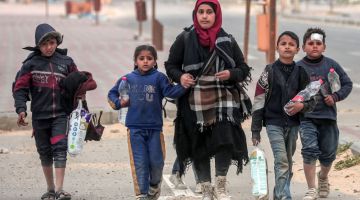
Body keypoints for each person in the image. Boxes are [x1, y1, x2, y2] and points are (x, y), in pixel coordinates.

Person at [165, 0, 251, 199]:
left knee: (225, 140)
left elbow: (243, 68)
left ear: (216, 14)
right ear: (195, 14)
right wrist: (181, 77)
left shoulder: (227, 40)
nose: (204, 16)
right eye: (200, 12)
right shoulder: (185, 38)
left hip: (223, 98)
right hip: (192, 100)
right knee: (198, 143)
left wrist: (231, 73)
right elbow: (171, 65)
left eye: (209, 12)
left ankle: (221, 184)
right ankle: (205, 187)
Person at [107, 45, 186, 200]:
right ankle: (142, 194)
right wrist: (118, 103)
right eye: (141, 58)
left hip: (155, 129)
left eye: (149, 58)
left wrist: (184, 86)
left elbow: (170, 92)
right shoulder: (127, 79)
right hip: (135, 129)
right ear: (135, 61)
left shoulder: (159, 78)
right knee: (140, 163)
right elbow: (112, 94)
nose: (145, 61)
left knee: (157, 162)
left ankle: (154, 185)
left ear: (155, 61)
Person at [13, 23, 77, 200]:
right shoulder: (30, 64)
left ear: (57, 42)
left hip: (60, 115)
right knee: (44, 151)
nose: (49, 47)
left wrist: (81, 86)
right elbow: (20, 88)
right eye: (44, 44)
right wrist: (21, 109)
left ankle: (60, 189)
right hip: (40, 117)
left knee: (60, 148)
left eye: (52, 42)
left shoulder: (66, 62)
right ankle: (50, 189)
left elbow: (77, 82)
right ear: (38, 45)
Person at [251, 31, 317, 200]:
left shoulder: (302, 73)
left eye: (291, 44)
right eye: (283, 43)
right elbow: (259, 99)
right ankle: (284, 196)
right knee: (281, 161)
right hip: (273, 123)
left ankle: (278, 193)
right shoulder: (269, 71)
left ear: (297, 50)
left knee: (287, 162)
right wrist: (256, 129)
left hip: (294, 125)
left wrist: (302, 105)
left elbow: (312, 99)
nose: (287, 46)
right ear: (277, 48)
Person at [297, 27, 353, 200]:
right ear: (303, 47)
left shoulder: (331, 65)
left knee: (328, 154)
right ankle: (311, 189)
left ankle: (323, 177)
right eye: (311, 43)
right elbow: (290, 92)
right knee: (309, 150)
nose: (314, 46)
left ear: (324, 47)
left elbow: (347, 84)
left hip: (328, 118)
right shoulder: (297, 67)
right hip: (306, 118)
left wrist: (335, 97)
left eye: (318, 43)